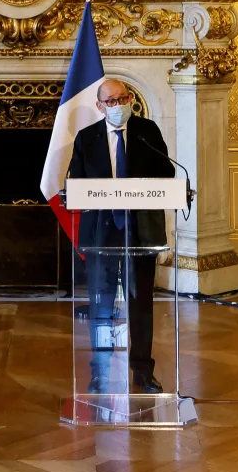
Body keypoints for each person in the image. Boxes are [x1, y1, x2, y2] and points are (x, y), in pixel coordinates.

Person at [67, 78, 176, 394]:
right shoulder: (87, 138)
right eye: (111, 101)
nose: (119, 105)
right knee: (101, 305)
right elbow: (77, 181)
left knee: (140, 303)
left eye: (123, 98)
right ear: (100, 107)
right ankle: (100, 371)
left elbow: (166, 174)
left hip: (141, 232)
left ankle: (143, 371)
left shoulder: (148, 132)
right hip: (103, 232)